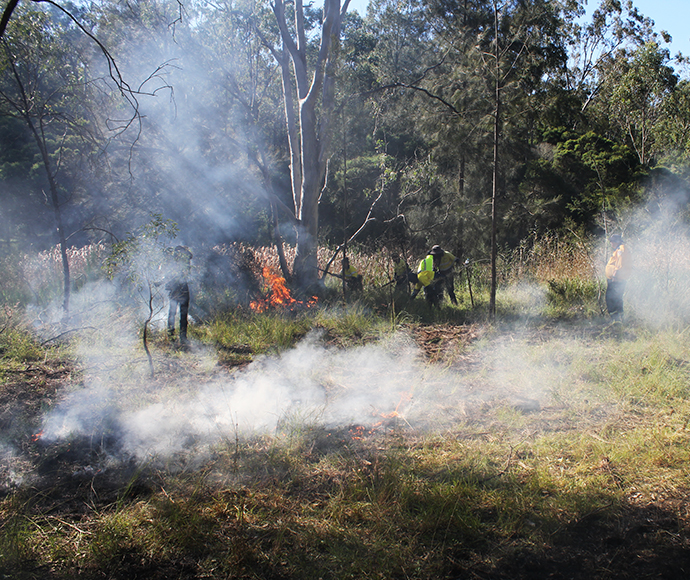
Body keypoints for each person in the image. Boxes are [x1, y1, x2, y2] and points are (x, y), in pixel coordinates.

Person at [165, 245, 193, 343]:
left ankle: (180, 337)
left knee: (179, 314)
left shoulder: (184, 263)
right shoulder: (176, 264)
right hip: (178, 290)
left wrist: (181, 248)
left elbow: (190, 255)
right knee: (174, 314)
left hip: (181, 290)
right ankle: (174, 335)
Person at [605, 234, 632, 321]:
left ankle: (616, 318)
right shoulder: (618, 249)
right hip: (616, 279)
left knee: (612, 298)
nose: (611, 243)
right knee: (615, 298)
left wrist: (615, 275)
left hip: (616, 279)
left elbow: (620, 264)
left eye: (612, 241)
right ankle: (617, 318)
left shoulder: (621, 249)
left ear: (616, 241)